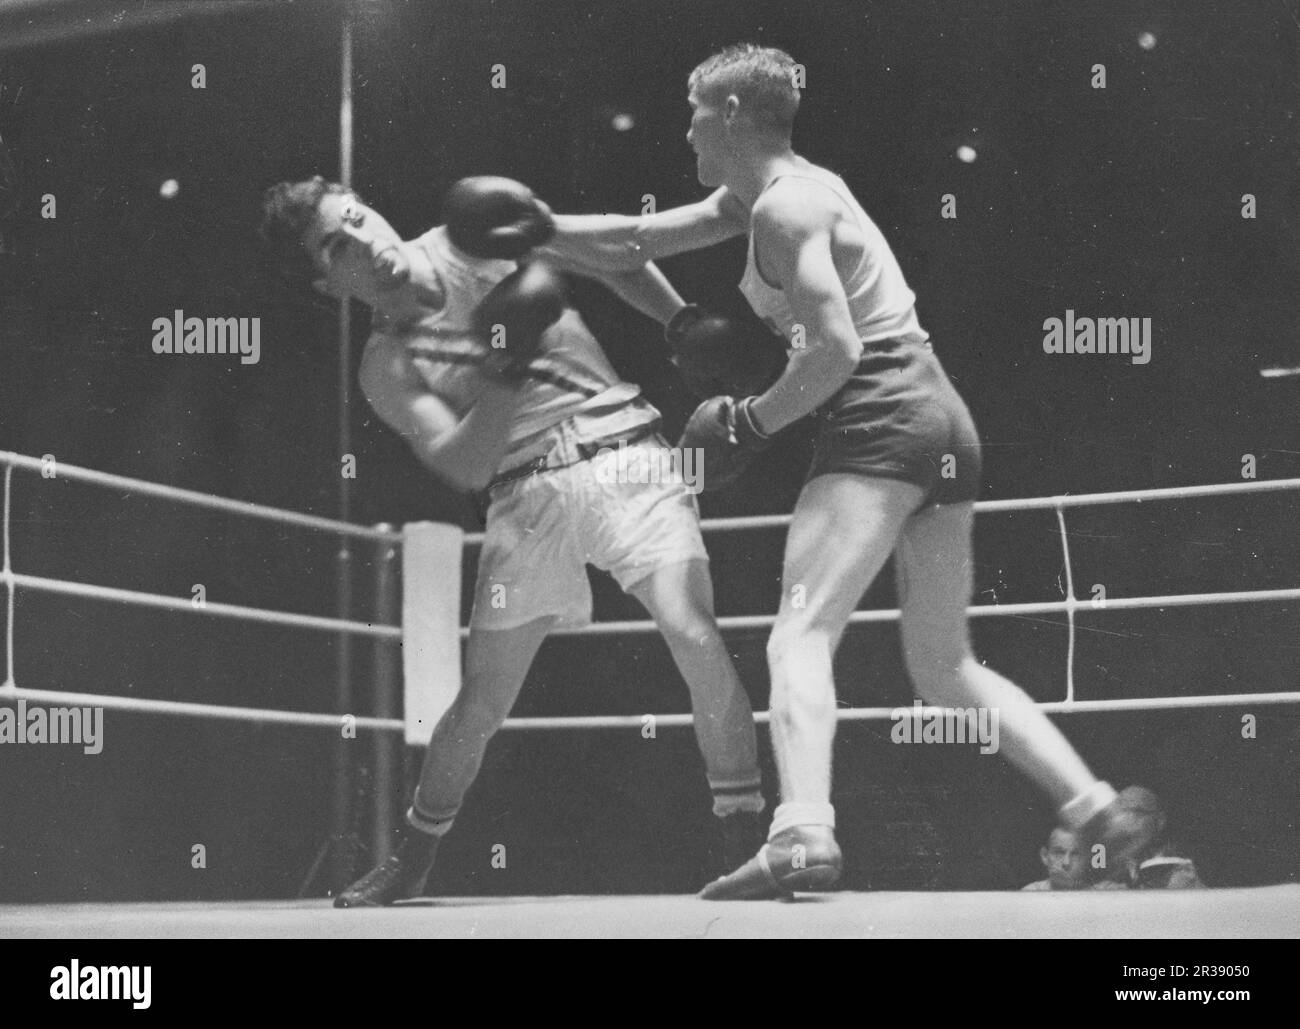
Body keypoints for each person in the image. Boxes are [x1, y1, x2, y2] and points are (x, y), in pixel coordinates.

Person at [541, 44, 1161, 899]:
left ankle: (802, 834)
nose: (682, 129)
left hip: (880, 413)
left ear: (727, 115)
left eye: (692, 112)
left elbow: (837, 347)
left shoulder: (787, 211)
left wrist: (752, 420)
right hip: (939, 413)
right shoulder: (777, 193)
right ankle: (1095, 808)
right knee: (944, 663)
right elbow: (639, 238)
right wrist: (537, 229)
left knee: (799, 632)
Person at [258, 175, 768, 906]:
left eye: (359, 218)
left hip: (623, 452)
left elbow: (616, 246)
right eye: (339, 247)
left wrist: (680, 318)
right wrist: (507, 361)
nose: (366, 244)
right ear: (325, 280)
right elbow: (465, 462)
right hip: (522, 493)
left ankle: (742, 839)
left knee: (694, 633)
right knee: (481, 701)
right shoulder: (386, 365)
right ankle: (412, 858)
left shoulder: (472, 233)